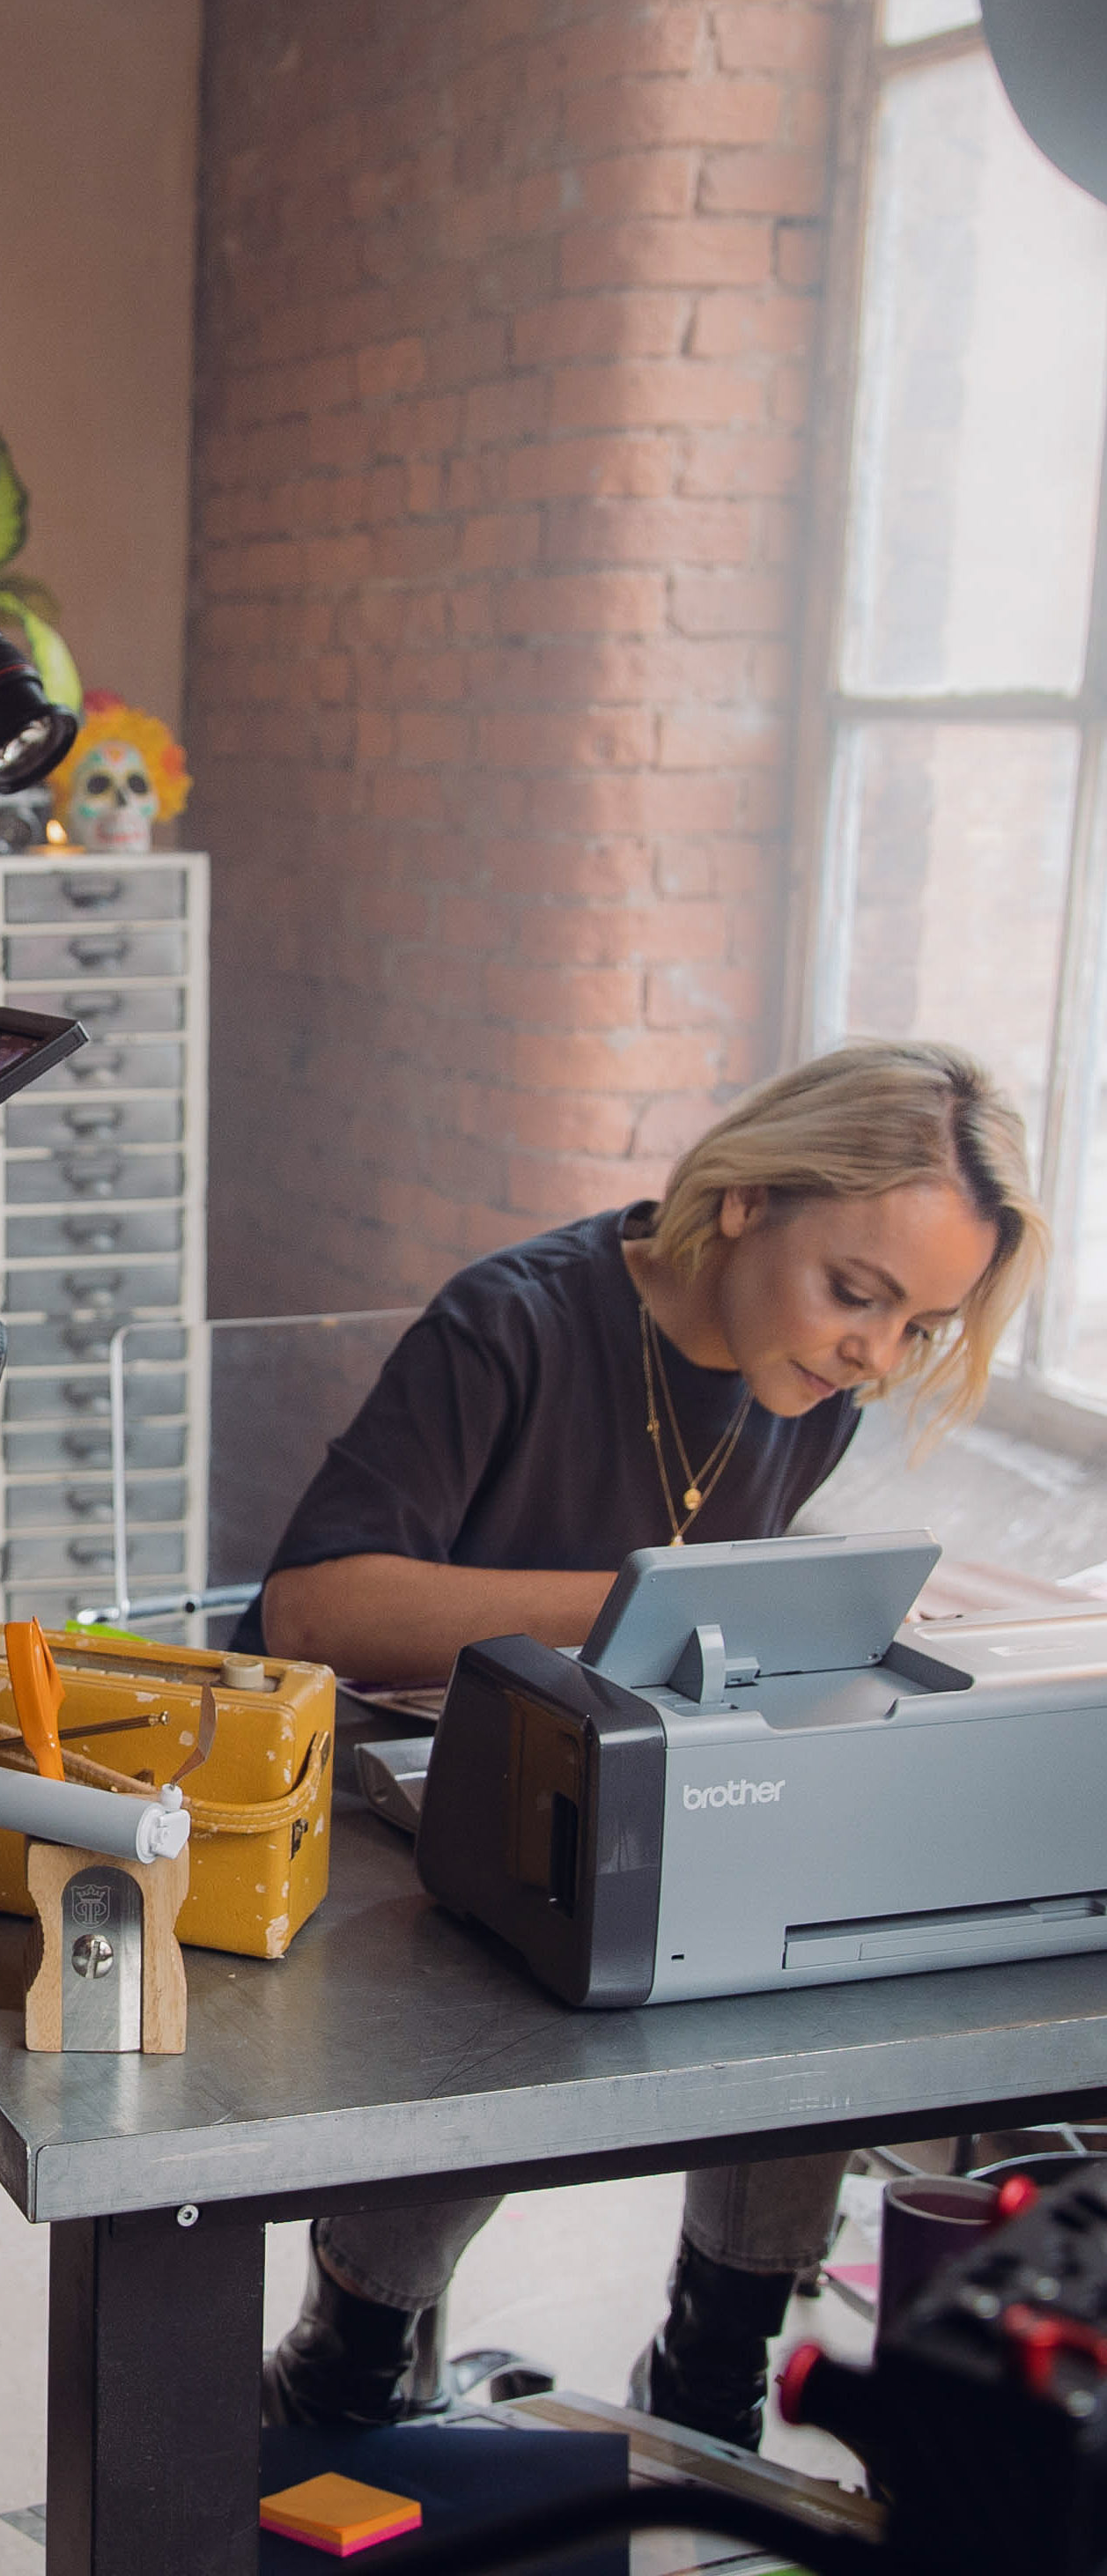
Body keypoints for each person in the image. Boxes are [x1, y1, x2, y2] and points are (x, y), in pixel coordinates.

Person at [247, 1043, 1048, 2454]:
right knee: (528, 1973)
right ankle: (351, 2352)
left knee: (811, 1967)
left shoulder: (811, 1383)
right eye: (858, 1295)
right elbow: (314, 1609)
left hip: (626, 1797)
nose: (875, 1354)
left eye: (918, 1325)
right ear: (743, 1202)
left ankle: (712, 2370)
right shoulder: (514, 1322)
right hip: (420, 1813)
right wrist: (645, 1596)